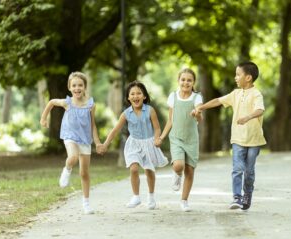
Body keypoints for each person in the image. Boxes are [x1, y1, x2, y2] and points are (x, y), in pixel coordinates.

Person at [194, 61, 266, 211]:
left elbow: (260, 110)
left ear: (248, 78)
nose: (235, 77)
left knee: (249, 171)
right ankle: (237, 197)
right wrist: (201, 107)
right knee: (237, 168)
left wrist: (247, 117)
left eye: (238, 74)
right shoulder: (235, 94)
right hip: (238, 139)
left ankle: (247, 194)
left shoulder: (256, 94)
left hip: (254, 139)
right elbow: (218, 101)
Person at [97, 81, 168, 210]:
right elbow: (115, 131)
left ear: (144, 96)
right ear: (128, 98)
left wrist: (157, 138)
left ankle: (151, 197)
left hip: (149, 143)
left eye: (139, 93)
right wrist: (105, 144)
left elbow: (157, 128)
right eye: (132, 94)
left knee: (149, 170)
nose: (136, 96)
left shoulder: (150, 110)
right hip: (133, 144)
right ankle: (136, 196)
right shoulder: (126, 114)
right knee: (134, 168)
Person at [40, 72, 101, 214]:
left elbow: (93, 125)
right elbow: (51, 103)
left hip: (85, 139)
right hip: (70, 136)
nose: (77, 88)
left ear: (85, 87)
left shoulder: (91, 105)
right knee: (73, 157)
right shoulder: (67, 103)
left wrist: (97, 142)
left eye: (80, 85)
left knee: (84, 173)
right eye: (74, 85)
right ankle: (66, 170)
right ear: (69, 87)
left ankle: (86, 203)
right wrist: (44, 118)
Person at [159, 68, 203, 212]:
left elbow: (200, 118)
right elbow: (170, 120)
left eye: (189, 80)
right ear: (178, 81)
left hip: (191, 139)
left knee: (190, 171)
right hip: (176, 137)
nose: (186, 82)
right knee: (179, 165)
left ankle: (184, 201)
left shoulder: (197, 97)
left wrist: (196, 113)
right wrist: (162, 137)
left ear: (193, 82)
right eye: (183, 79)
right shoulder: (173, 96)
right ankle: (177, 175)